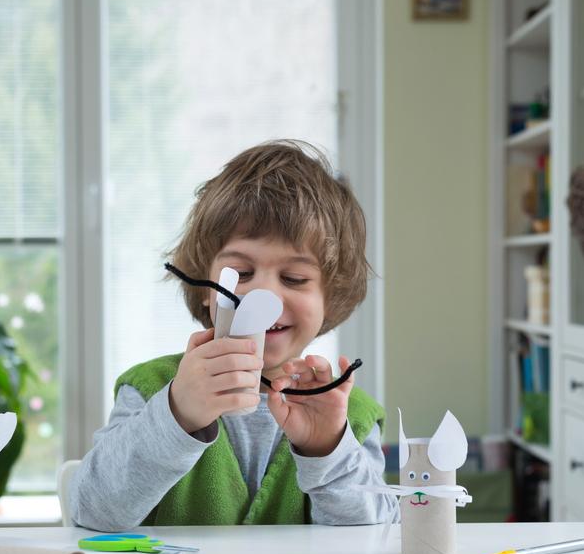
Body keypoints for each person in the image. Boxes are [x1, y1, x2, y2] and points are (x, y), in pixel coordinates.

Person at [69, 140, 398, 529]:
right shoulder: (149, 390)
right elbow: (91, 512)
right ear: (205, 288)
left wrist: (328, 449)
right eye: (239, 274)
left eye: (294, 278)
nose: (264, 298)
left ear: (331, 296)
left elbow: (373, 544)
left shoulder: (349, 416)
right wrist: (178, 413)